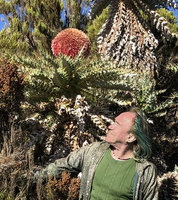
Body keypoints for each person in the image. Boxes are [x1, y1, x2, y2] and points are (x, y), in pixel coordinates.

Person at [34, 108, 158, 200]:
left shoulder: (145, 171)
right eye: (113, 122)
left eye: (117, 124)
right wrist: (29, 179)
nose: (110, 126)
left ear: (131, 137)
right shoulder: (94, 151)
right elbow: (61, 166)